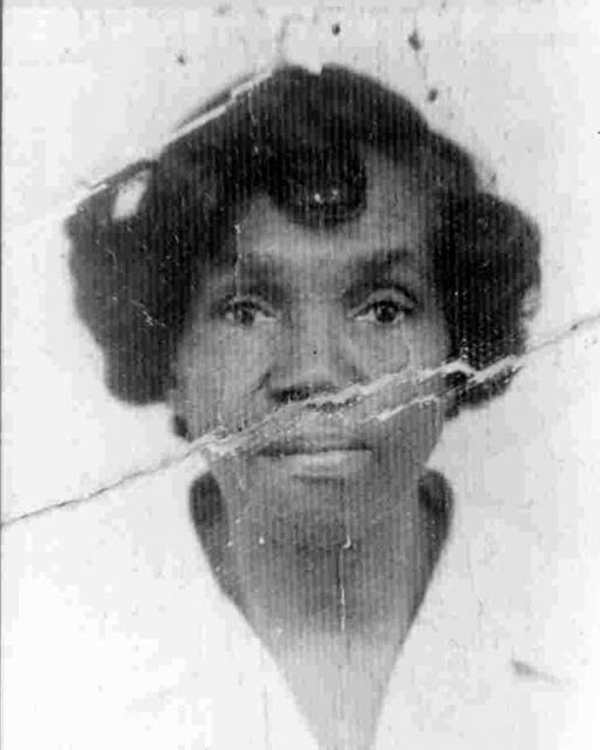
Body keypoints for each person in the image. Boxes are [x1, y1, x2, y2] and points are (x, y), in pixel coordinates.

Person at [5, 64, 547, 749]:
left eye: (384, 308)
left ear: (458, 347)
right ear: (169, 357)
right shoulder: (40, 666)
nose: (315, 372)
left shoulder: (575, 624)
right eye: (245, 309)